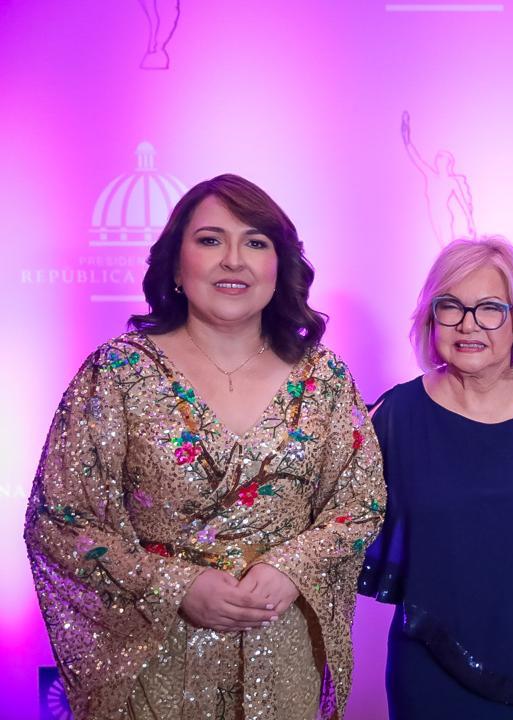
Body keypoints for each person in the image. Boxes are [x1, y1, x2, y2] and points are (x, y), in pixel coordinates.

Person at [24, 174, 386, 719]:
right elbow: (59, 520)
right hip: (158, 656)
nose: (234, 260)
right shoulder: (119, 373)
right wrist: (177, 584)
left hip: (282, 652)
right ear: (175, 263)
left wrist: (293, 566)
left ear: (279, 266)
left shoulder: (323, 376)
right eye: (211, 240)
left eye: (256, 243)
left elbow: (362, 504)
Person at [358, 236, 513, 719]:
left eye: (490, 308)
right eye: (450, 306)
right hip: (430, 671)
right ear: (431, 319)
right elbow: (338, 519)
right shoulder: (394, 417)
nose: (468, 324)